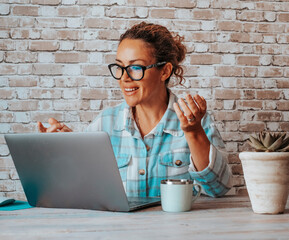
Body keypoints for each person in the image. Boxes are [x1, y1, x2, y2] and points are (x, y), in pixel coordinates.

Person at [38, 22, 232, 198]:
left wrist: (193, 132)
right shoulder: (105, 123)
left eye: (135, 68)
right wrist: (66, 148)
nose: (124, 78)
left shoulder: (197, 121)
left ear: (164, 71)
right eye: (120, 67)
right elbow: (81, 187)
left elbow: (219, 188)